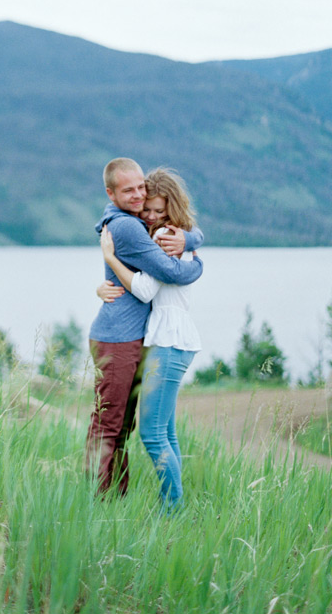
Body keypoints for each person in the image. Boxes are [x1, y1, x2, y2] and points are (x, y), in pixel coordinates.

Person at [85, 158, 203, 496]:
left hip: (144, 337)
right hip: (119, 337)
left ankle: (116, 498)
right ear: (111, 193)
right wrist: (195, 263)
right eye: (130, 191)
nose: (142, 202)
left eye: (142, 189)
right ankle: (101, 500)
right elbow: (168, 276)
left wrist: (192, 244)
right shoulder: (128, 226)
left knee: (125, 425)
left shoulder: (146, 226)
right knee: (112, 425)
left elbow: (185, 240)